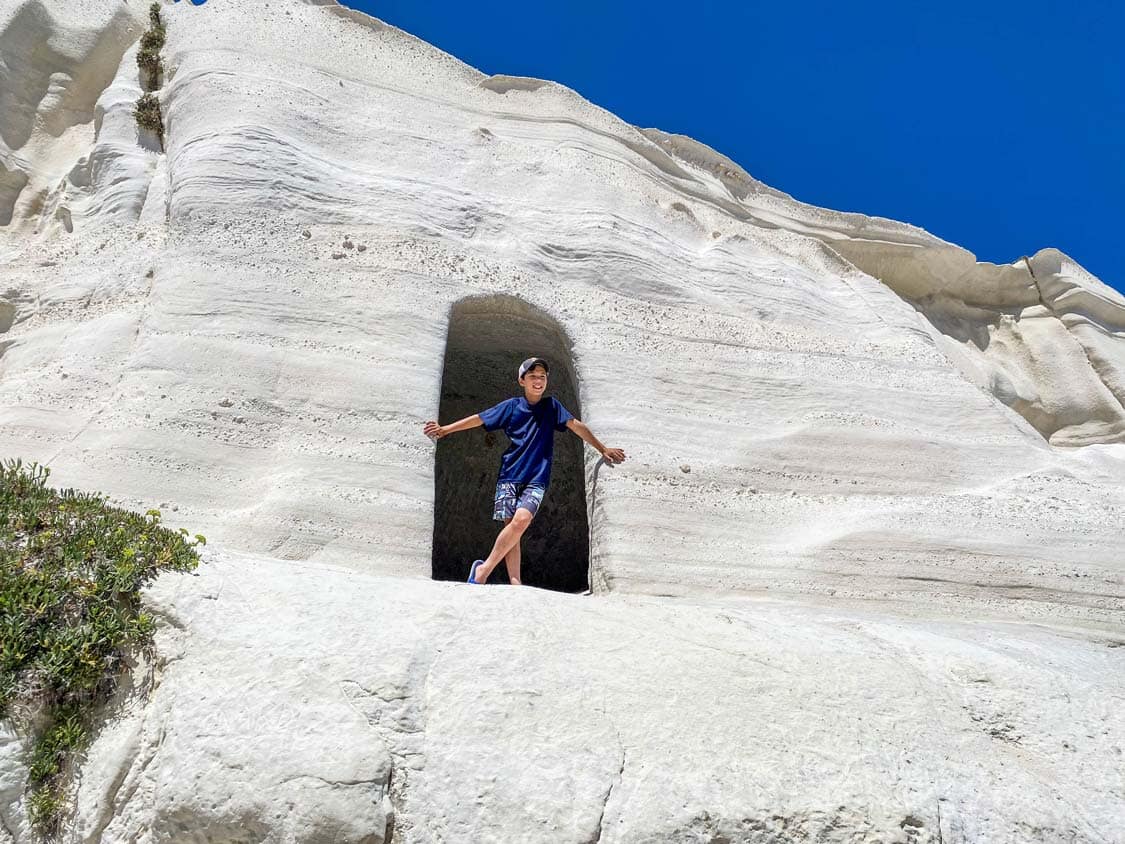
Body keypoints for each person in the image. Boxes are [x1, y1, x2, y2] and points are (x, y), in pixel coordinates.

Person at [423, 356, 625, 585]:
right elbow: (479, 419)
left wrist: (602, 448)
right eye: (532, 377)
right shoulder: (511, 406)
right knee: (513, 531)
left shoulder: (552, 406)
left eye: (542, 377)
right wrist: (446, 430)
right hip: (509, 476)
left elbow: (577, 426)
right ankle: (515, 581)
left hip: (536, 480)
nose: (538, 381)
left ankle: (482, 570)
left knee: (521, 522)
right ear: (522, 381)